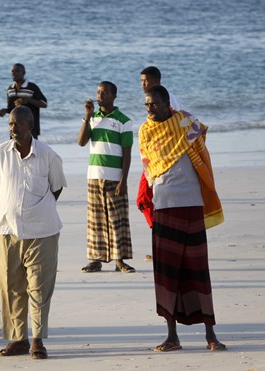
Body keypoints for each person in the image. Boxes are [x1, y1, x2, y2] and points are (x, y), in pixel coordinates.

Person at [139, 85, 226, 353]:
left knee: (199, 270)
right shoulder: (145, 131)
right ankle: (172, 335)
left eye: (154, 104)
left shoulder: (186, 122)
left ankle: (210, 333)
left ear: (167, 104)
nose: (149, 108)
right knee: (167, 274)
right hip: (164, 205)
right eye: (146, 104)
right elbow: (148, 166)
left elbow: (201, 141)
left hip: (191, 203)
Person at [0, 106, 66, 360]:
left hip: (42, 231)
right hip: (6, 230)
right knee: (11, 287)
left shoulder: (48, 155)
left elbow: (56, 188)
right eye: (10, 123)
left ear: (30, 125)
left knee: (39, 288)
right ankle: (18, 339)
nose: (13, 128)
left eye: (18, 124)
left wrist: (36, 209)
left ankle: (37, 340)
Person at [77, 81, 135, 273]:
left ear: (113, 96)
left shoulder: (123, 121)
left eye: (104, 92)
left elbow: (127, 154)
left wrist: (123, 180)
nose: (100, 95)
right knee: (96, 220)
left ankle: (119, 260)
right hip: (94, 176)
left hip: (114, 177)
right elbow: (81, 142)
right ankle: (96, 259)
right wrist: (86, 116)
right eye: (98, 92)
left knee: (117, 219)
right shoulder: (92, 118)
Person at [138, 66, 185, 262]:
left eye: (146, 81)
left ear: (156, 81)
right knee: (147, 202)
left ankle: (162, 243)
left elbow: (179, 125)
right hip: (153, 159)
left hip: (164, 160)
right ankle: (160, 241)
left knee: (146, 200)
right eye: (141, 81)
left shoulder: (168, 100)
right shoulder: (151, 101)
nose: (143, 85)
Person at [0, 64, 48, 139]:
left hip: (31, 129)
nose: (14, 73)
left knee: (32, 150)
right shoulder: (10, 89)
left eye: (17, 71)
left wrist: (28, 100)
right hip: (14, 129)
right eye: (12, 71)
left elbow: (44, 104)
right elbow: (12, 108)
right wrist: (5, 111)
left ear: (23, 73)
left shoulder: (31, 87)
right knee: (14, 150)